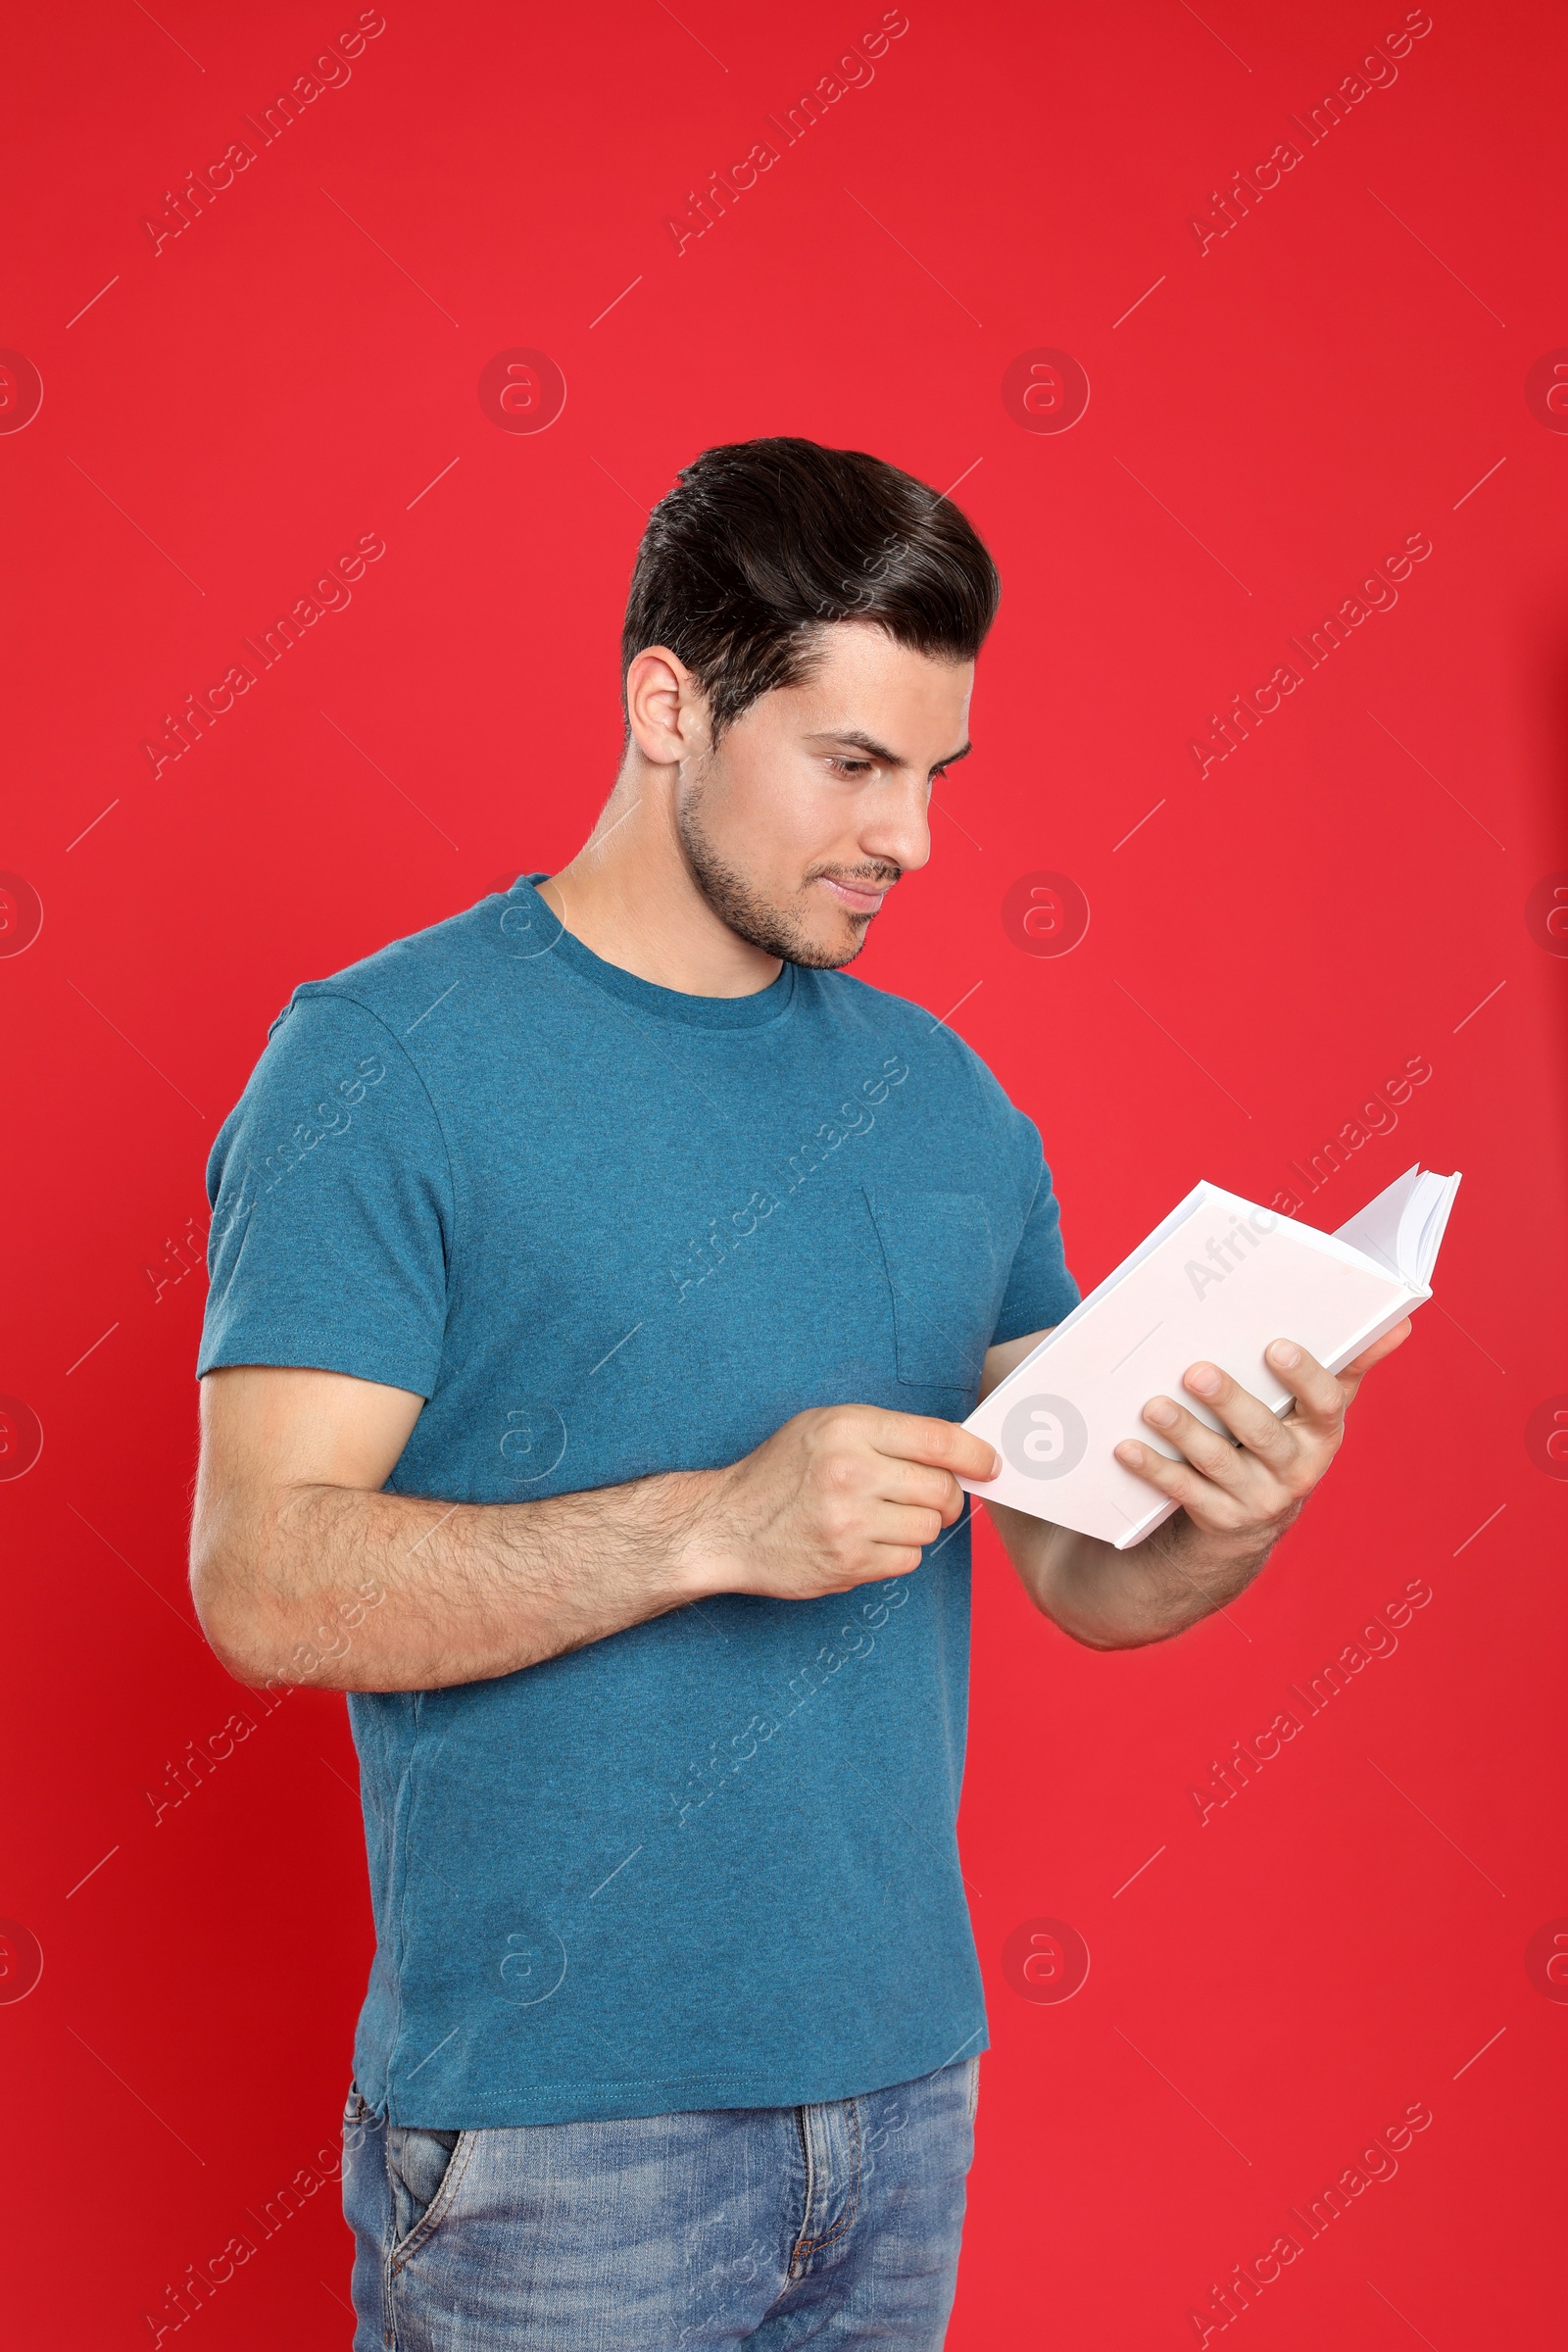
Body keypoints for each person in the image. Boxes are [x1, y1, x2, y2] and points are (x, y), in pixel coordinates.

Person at [188, 436, 1409, 2348]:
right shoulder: (381, 1065)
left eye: (934, 776)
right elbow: (263, 1583)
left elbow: (1086, 1575)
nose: (908, 839)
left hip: (901, 2100)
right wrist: (713, 1527)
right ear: (667, 704)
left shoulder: (940, 1103)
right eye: (852, 765)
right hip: (554, 2137)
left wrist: (1225, 1512)